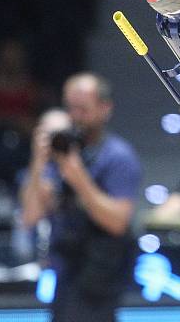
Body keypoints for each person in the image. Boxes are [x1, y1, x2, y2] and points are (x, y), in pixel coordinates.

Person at [20, 72, 142, 322]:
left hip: (100, 277)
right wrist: (38, 161)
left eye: (83, 109)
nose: (75, 117)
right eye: (71, 108)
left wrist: (78, 178)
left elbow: (118, 222)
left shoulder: (118, 157)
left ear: (104, 109)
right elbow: (31, 216)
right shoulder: (60, 151)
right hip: (64, 273)